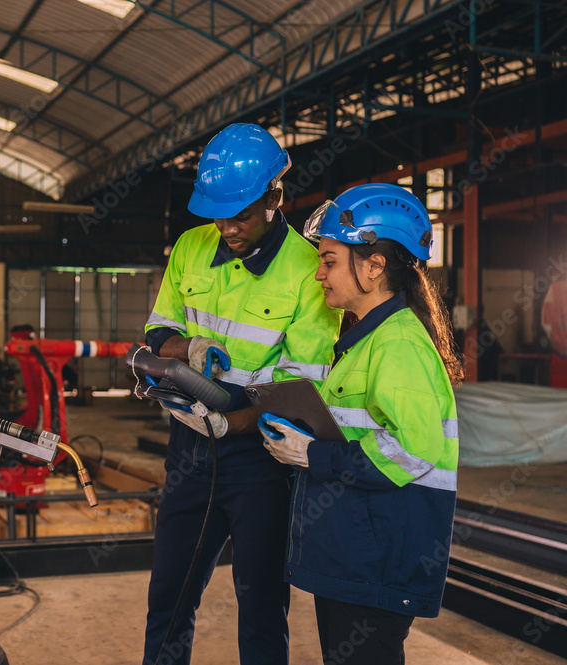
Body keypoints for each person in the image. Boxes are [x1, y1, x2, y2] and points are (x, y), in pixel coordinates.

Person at [142, 123, 342, 665]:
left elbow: (298, 390)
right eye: (219, 214)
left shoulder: (308, 273)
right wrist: (188, 349)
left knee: (260, 608)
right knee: (168, 599)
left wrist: (233, 420)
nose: (227, 227)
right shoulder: (191, 246)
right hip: (188, 454)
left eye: (242, 215)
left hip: (261, 461)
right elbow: (157, 333)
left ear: (275, 198)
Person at [261, 183, 461, 665]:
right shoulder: (367, 340)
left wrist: (312, 454)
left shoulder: (398, 345)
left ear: (373, 267)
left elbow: (411, 452)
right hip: (356, 556)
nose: (319, 274)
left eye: (329, 260)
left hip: (378, 562)